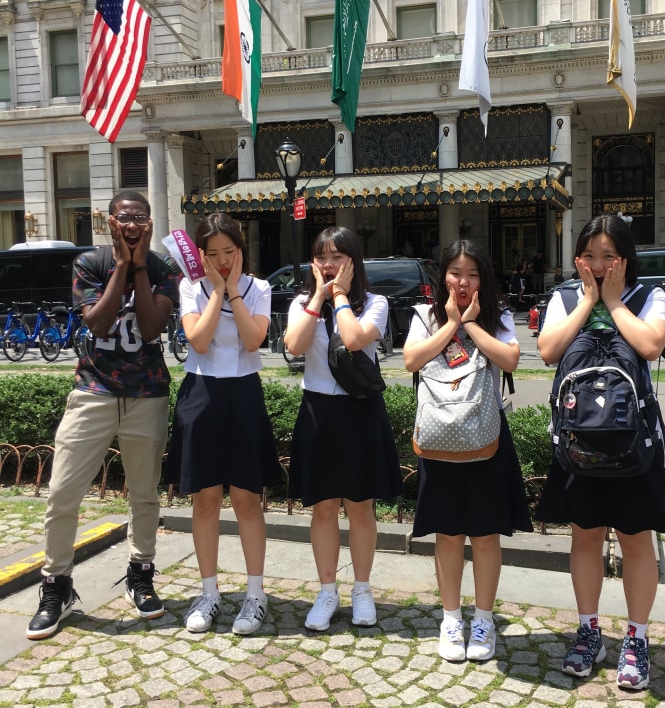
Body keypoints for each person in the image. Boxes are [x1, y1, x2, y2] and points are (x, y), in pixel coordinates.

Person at [535, 215, 665, 690]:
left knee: (635, 539)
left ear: (626, 258)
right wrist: (589, 301)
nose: (600, 264)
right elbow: (547, 350)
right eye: (591, 256)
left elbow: (651, 345)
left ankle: (637, 638)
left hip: (633, 441)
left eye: (610, 256)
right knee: (584, 536)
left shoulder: (649, 296)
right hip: (578, 439)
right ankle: (588, 631)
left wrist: (611, 301)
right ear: (577, 258)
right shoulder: (565, 297)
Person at [26, 191, 181, 640]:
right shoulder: (89, 264)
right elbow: (97, 321)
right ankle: (56, 584)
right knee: (62, 493)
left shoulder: (162, 269)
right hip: (92, 391)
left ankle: (140, 574)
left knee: (144, 496)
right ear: (109, 221)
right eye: (124, 217)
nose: (132, 225)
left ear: (149, 223)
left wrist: (138, 266)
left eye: (140, 218)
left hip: (147, 394)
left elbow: (152, 328)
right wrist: (120, 265)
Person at [403, 240, 533, 662]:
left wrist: (474, 325)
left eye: (473, 274)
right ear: (443, 275)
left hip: (486, 438)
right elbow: (411, 360)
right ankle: (451, 618)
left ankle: (483, 619)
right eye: (456, 273)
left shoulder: (499, 317)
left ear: (485, 277)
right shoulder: (425, 316)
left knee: (485, 534)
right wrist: (451, 324)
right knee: (448, 533)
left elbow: (511, 360)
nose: (463, 281)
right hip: (440, 441)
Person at [164, 213, 281, 635]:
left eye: (229, 252)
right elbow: (197, 340)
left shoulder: (260, 288)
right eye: (212, 254)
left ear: (241, 248)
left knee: (248, 499)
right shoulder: (190, 287)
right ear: (200, 255)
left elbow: (253, 340)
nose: (223, 260)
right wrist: (216, 291)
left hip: (244, 395)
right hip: (201, 394)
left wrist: (232, 292)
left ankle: (255, 594)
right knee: (205, 498)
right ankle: (209, 592)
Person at [284, 226, 402, 631]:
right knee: (322, 507)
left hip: (359, 411)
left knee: (360, 506)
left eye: (338, 256)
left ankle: (363, 589)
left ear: (354, 260)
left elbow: (353, 339)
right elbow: (294, 346)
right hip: (318, 410)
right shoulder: (302, 302)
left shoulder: (375, 303)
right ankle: (327, 590)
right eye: (322, 256)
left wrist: (338, 296)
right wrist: (319, 295)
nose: (329, 263)